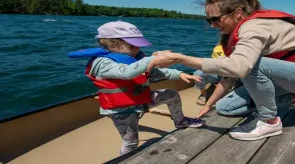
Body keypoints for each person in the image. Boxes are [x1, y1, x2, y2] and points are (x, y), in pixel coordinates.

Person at [148, 0, 295, 141]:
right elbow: (230, 74)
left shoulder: (254, 27)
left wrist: (180, 58)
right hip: (292, 76)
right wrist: (208, 104)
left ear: (238, 13)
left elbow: (240, 68)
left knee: (252, 66)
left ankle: (270, 121)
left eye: (216, 19)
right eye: (209, 20)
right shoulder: (241, 30)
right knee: (226, 108)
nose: (213, 25)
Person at [68, 21, 205, 155]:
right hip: (120, 111)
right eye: (133, 46)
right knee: (131, 143)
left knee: (171, 94)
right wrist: (153, 59)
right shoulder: (102, 63)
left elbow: (152, 73)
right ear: (113, 44)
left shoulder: (134, 58)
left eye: (139, 46)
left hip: (140, 99)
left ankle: (180, 121)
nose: (138, 49)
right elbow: (127, 73)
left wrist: (178, 74)